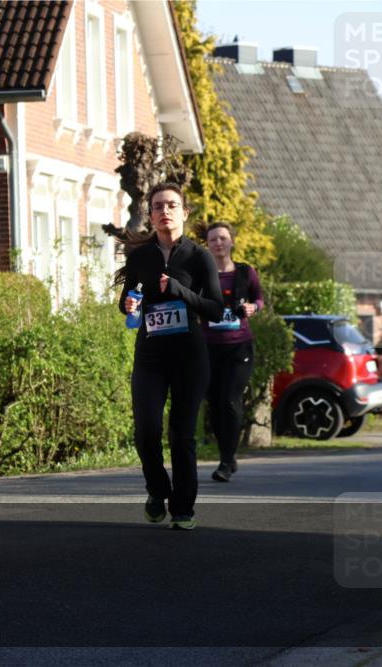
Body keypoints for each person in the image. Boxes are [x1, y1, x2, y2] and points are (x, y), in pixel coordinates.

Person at [118, 182, 223, 530]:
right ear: (150, 215)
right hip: (150, 354)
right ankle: (156, 489)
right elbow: (128, 299)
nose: (165, 211)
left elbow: (216, 310)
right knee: (146, 430)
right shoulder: (140, 257)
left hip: (189, 356)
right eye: (158, 206)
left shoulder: (199, 256)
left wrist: (179, 291)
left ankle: (183, 507)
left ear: (184, 212)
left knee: (182, 434)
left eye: (172, 205)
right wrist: (129, 303)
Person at [202, 222, 263, 482]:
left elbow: (259, 298)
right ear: (207, 245)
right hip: (209, 346)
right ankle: (227, 453)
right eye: (213, 239)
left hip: (239, 346)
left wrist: (252, 308)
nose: (218, 243)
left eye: (223, 238)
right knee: (215, 404)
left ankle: (226, 460)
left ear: (231, 242)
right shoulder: (202, 274)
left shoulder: (245, 272)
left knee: (229, 399)